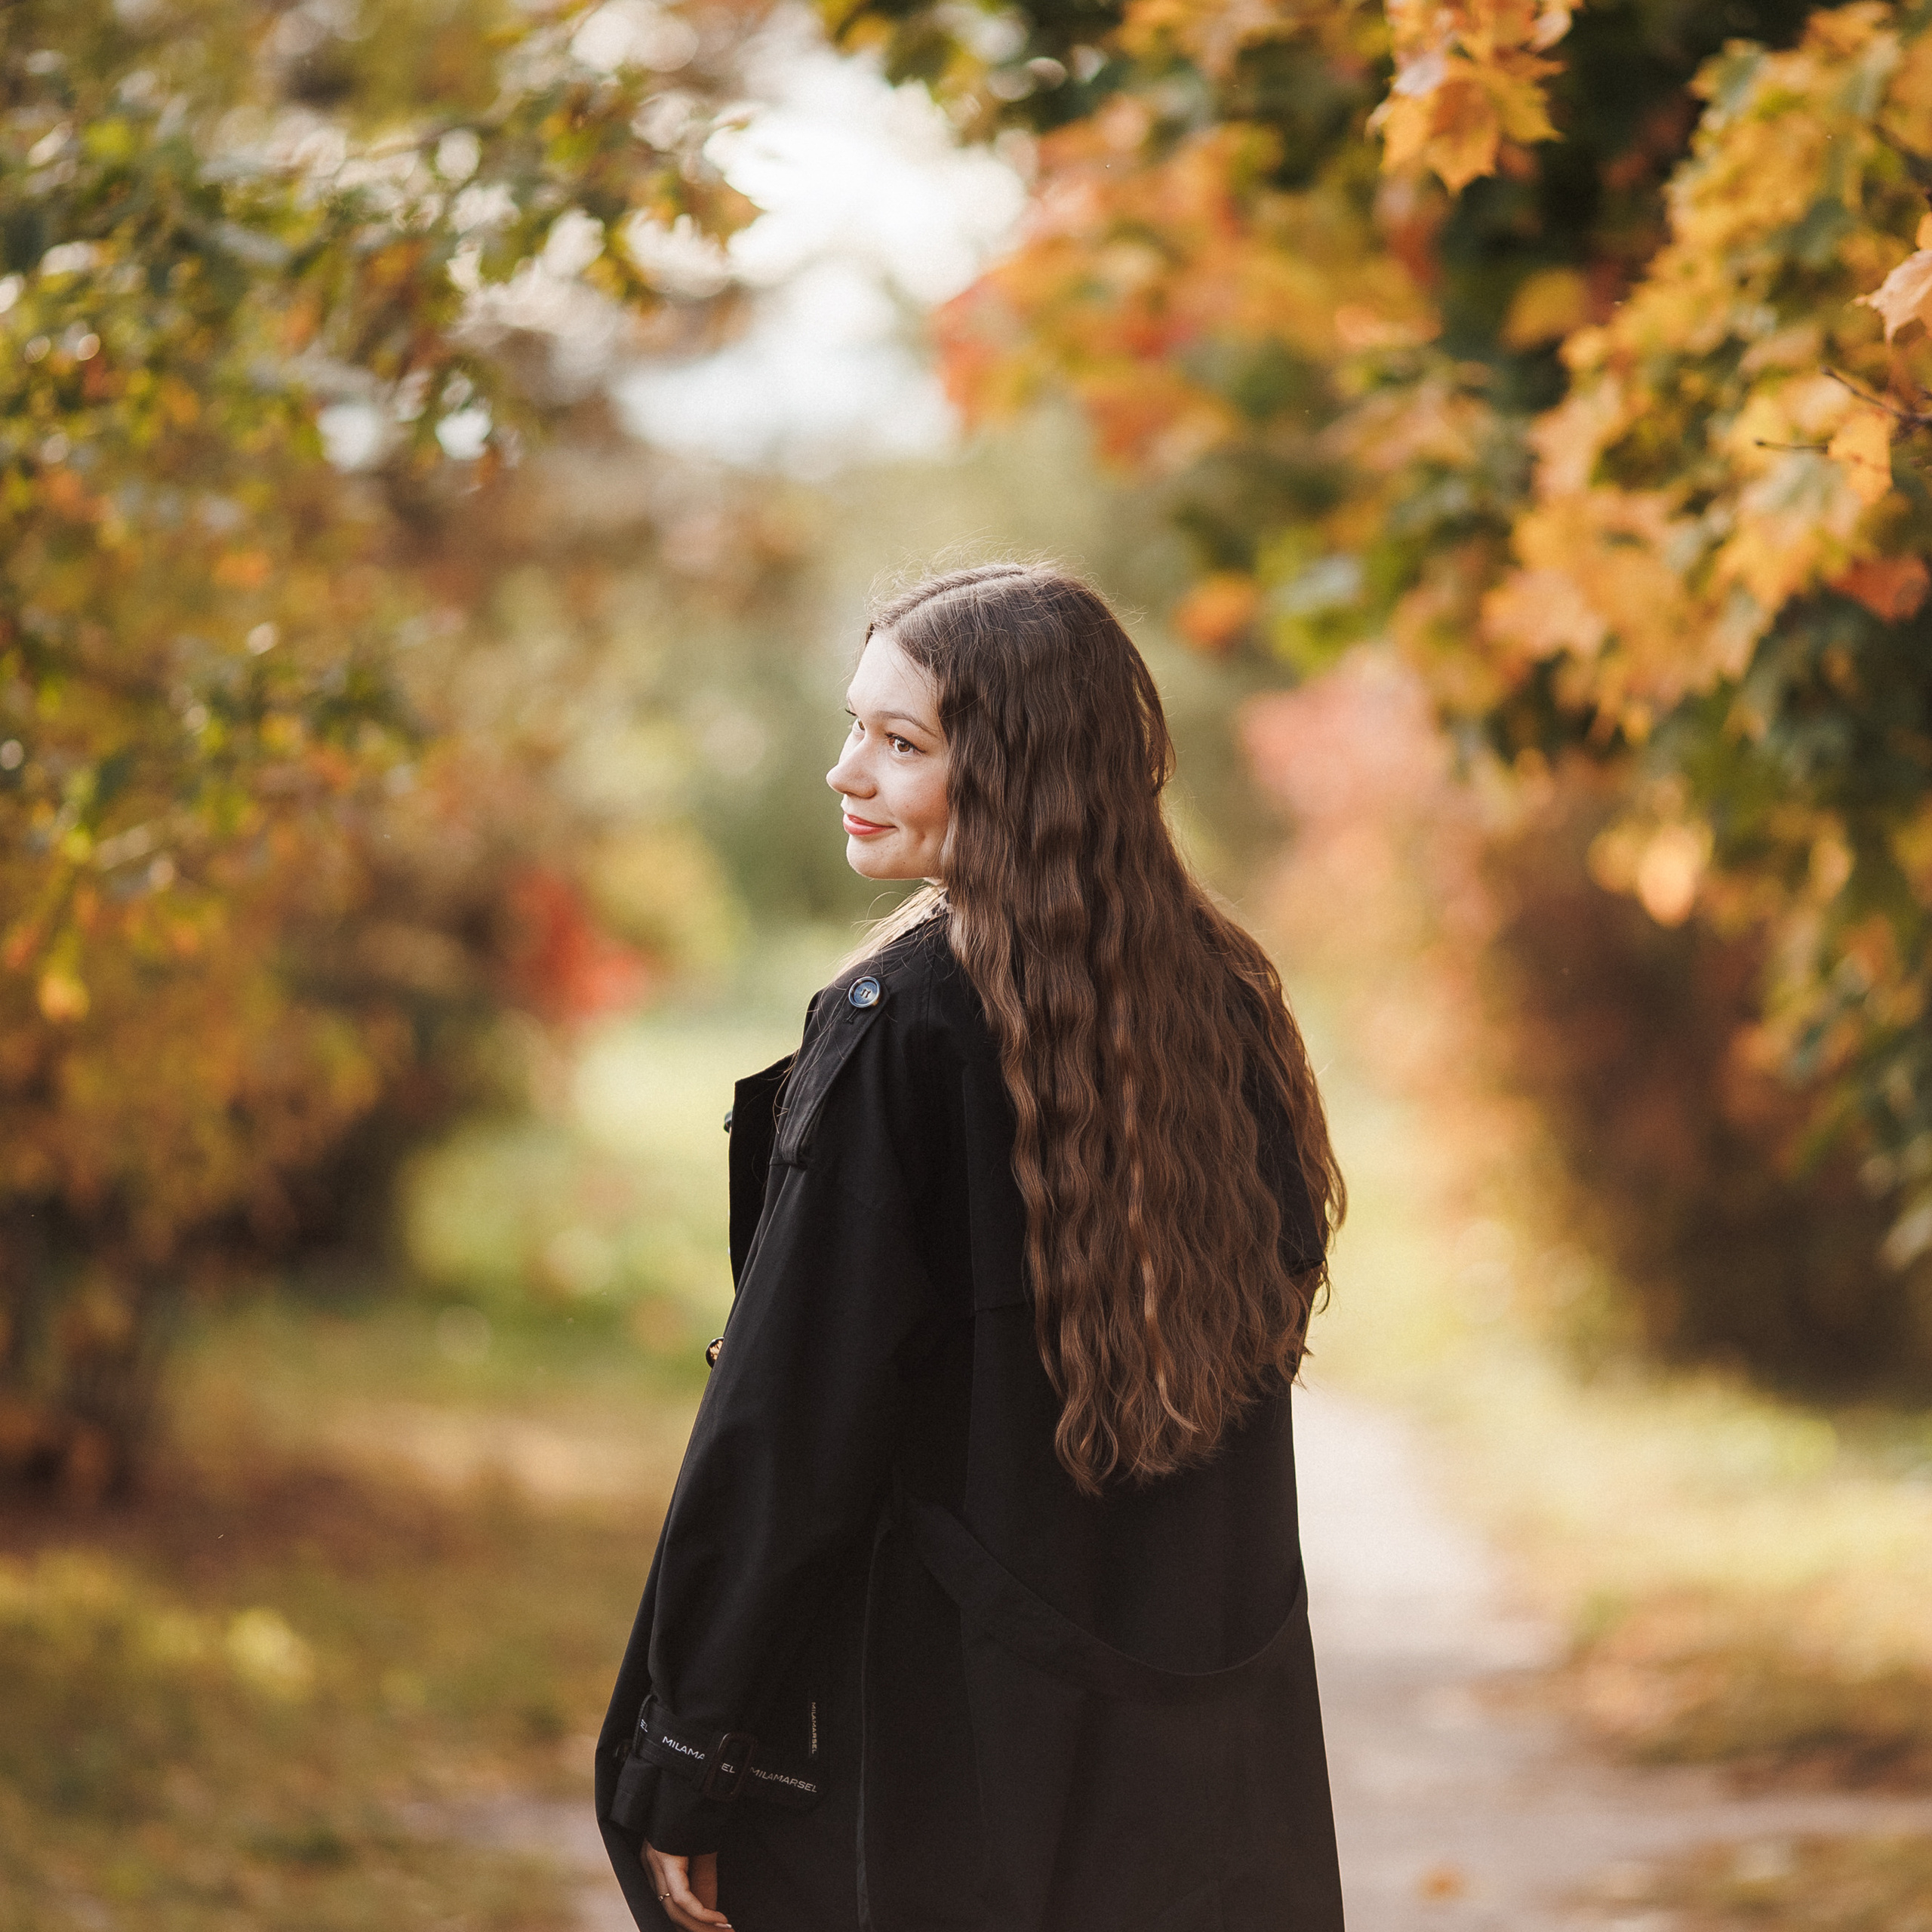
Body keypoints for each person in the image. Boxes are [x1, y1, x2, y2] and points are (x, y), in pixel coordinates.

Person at [595, 562, 1348, 1932]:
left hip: (957, 1757)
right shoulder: (1229, 997)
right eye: (853, 726)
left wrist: (690, 1753)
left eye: (901, 742)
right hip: (1201, 1764)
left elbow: (788, 1418)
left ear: (1019, 768)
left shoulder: (905, 1025)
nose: (845, 771)